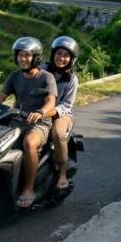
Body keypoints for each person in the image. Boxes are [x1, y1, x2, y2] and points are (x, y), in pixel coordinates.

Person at [0, 37, 57, 208]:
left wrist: (40, 112)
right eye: (20, 55)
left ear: (36, 57)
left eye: (27, 55)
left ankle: (29, 188)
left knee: (29, 143)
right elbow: (0, 97)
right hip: (17, 120)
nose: (22, 59)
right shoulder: (14, 76)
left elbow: (51, 102)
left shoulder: (46, 77)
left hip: (39, 123)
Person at [42, 36, 79, 190]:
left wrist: (50, 111)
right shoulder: (42, 69)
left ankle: (62, 173)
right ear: (53, 53)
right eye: (59, 53)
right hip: (40, 110)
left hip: (61, 113)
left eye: (66, 55)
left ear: (71, 59)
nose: (61, 58)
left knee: (57, 133)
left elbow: (67, 105)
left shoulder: (71, 78)